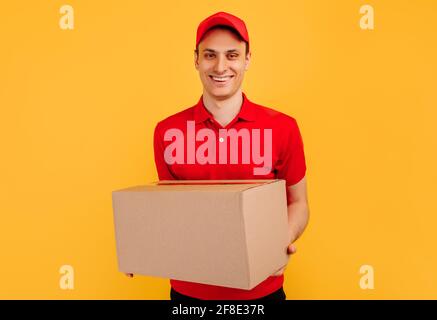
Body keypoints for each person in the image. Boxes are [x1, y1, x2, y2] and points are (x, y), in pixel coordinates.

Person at [126, 11, 309, 300]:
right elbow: (171, 212)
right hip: (190, 294)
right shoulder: (167, 131)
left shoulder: (283, 127)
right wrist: (142, 246)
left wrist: (279, 243)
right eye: (210, 55)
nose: (221, 66)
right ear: (196, 59)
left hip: (261, 294)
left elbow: (298, 202)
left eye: (232, 55)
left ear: (248, 59)